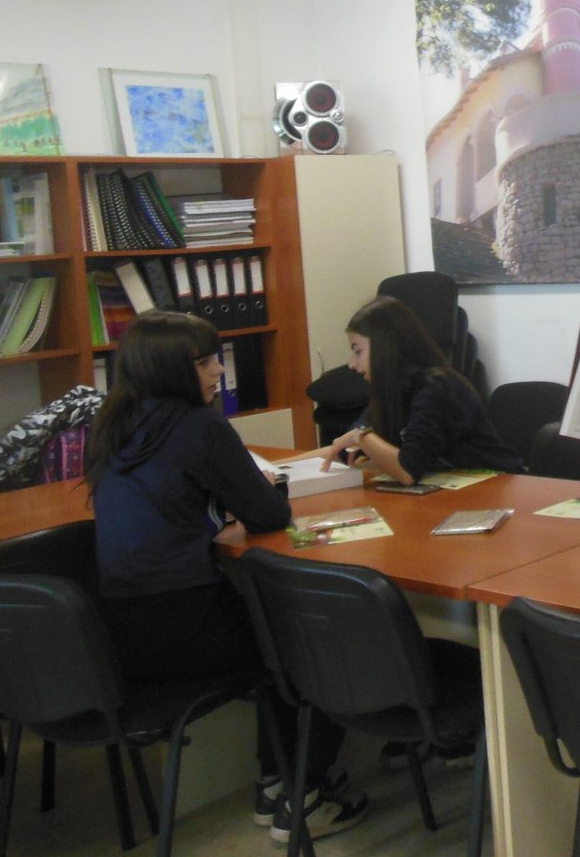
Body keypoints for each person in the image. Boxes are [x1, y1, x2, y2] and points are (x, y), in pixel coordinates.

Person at [86, 312, 367, 842]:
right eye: (204, 362)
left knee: (273, 630)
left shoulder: (112, 425)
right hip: (187, 626)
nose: (219, 371)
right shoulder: (197, 426)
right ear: (168, 369)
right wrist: (241, 494)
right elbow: (269, 514)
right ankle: (303, 796)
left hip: (125, 634)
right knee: (317, 637)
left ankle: (274, 782)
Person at [316, 295, 519, 484]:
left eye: (358, 351)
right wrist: (293, 466)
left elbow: (408, 470)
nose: (351, 363)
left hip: (493, 486)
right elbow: (341, 449)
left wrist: (360, 437)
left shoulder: (437, 387)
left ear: (385, 348)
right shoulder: (392, 391)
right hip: (445, 490)